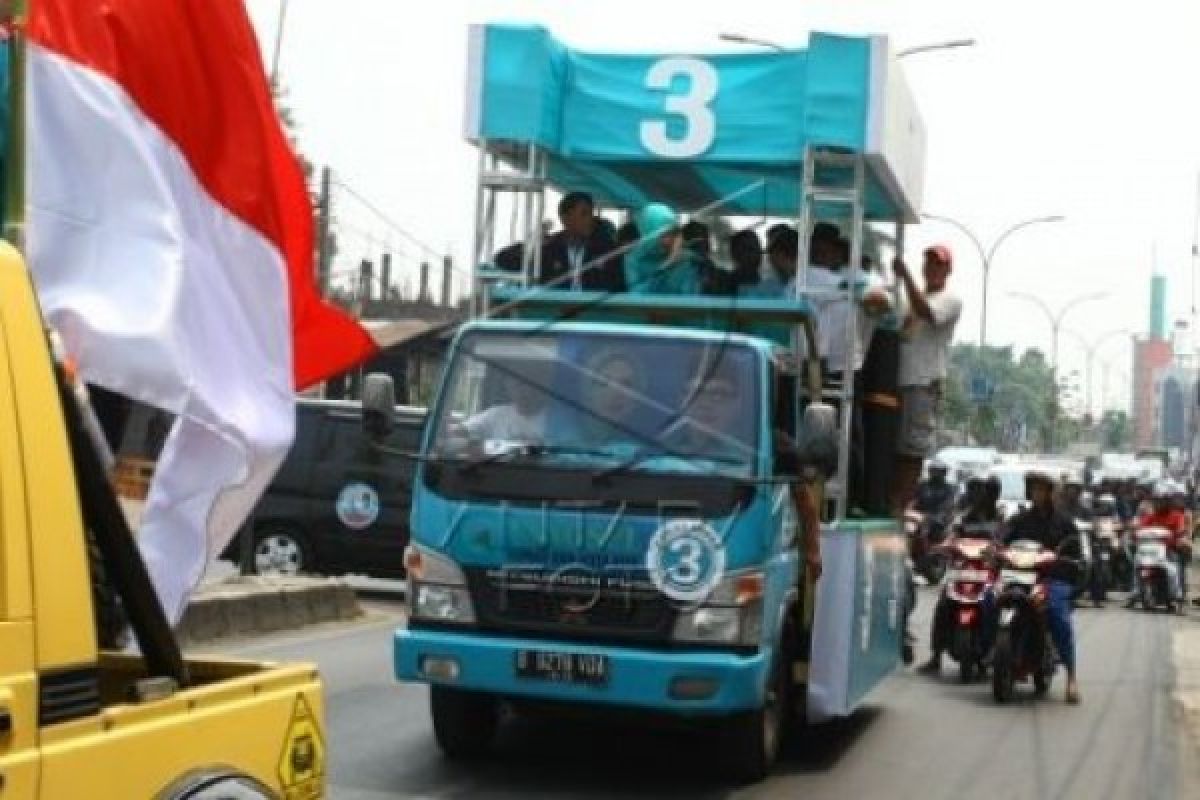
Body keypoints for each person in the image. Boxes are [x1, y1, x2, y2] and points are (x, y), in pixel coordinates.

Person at [996, 471, 1084, 704]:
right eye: (1034, 489)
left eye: (1042, 489)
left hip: (1052, 578)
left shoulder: (1064, 522)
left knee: (1058, 617)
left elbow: (1075, 550)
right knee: (989, 599)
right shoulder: (1021, 518)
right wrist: (994, 546)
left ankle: (1072, 678)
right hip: (1020, 575)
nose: (1037, 493)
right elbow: (1003, 533)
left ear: (1050, 493)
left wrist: (1065, 558)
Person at [889, 245, 963, 514]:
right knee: (895, 450)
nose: (932, 268)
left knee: (912, 451)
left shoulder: (949, 300)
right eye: (928, 263)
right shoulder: (912, 297)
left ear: (947, 270)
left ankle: (900, 507)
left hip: (921, 382)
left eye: (938, 265)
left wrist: (905, 275)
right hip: (898, 381)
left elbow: (926, 313)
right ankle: (892, 504)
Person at [917, 475, 1002, 675]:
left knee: (995, 604)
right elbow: (952, 536)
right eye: (983, 492)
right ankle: (936, 656)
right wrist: (944, 546)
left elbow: (1003, 541)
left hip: (987, 572)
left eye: (991, 492)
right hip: (964, 570)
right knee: (944, 603)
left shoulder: (1000, 518)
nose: (986, 496)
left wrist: (998, 551)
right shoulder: (966, 517)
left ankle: (993, 652)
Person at [494, 191, 625, 292]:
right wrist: (532, 243)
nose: (590, 220)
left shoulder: (605, 249)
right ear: (565, 218)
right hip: (554, 315)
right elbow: (502, 260)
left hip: (594, 317)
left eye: (591, 214)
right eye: (584, 214)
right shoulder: (549, 247)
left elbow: (618, 287)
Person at [1128, 481, 1190, 607]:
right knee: (1136, 563)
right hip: (1149, 550)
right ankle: (1135, 592)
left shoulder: (1177, 516)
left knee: (1174, 569)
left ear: (1168, 501)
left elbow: (1181, 531)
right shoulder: (1151, 516)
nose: (1158, 503)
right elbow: (1140, 527)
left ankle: (1176, 595)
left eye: (1161, 501)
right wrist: (1134, 532)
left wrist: (1179, 538)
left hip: (1168, 549)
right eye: (1156, 501)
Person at [623, 203, 699, 295]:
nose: (668, 241)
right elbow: (638, 295)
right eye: (663, 235)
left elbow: (690, 300)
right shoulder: (635, 259)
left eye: (672, 234)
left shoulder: (685, 259)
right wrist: (666, 266)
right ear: (648, 232)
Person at [461, 370, 549, 445]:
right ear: (509, 390)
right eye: (516, 386)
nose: (523, 392)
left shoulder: (554, 419)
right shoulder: (496, 414)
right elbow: (464, 430)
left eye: (527, 387)